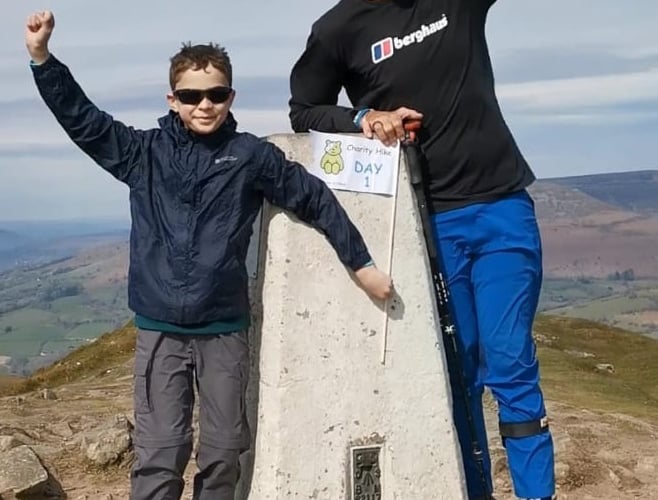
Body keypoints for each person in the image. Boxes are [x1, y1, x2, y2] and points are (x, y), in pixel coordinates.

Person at [25, 10, 393, 500]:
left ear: (230, 97)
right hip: (160, 331)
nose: (205, 105)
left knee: (223, 453)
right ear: (172, 99)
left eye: (216, 94)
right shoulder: (143, 153)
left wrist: (362, 266)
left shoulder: (250, 156)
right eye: (192, 96)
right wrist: (42, 58)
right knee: (160, 453)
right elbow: (83, 120)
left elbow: (314, 198)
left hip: (223, 330)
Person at [288, 1, 554, 500]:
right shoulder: (337, 28)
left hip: (501, 207)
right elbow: (303, 110)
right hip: (425, 223)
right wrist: (365, 116)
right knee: (461, 372)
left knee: (510, 363)